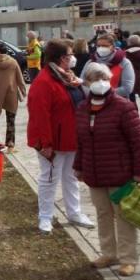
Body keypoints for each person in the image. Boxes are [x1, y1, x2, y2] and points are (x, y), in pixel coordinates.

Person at [74, 62, 140, 277]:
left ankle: (127, 259)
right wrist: (79, 167)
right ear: (87, 82)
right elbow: (81, 142)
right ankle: (109, 253)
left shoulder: (124, 107)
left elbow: (139, 143)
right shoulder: (83, 108)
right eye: (95, 79)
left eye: (104, 78)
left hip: (121, 173)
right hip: (95, 172)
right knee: (103, 214)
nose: (100, 83)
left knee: (123, 216)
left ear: (110, 81)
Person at [26, 38, 95, 234]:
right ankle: (45, 217)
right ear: (61, 58)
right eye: (70, 55)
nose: (73, 58)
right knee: (49, 179)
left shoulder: (68, 77)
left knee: (71, 177)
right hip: (52, 142)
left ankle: (74, 213)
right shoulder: (44, 81)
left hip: (71, 138)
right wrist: (45, 144)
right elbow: (40, 115)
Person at [0, 42, 26, 148]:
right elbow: (20, 78)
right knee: (11, 119)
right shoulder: (13, 62)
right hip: (11, 93)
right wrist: (23, 91)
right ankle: (10, 142)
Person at [79, 33, 135, 99]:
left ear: (113, 47)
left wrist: (104, 94)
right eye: (98, 46)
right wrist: (93, 94)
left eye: (104, 46)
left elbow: (127, 88)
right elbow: (82, 81)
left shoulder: (124, 63)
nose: (101, 48)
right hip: (94, 101)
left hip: (117, 101)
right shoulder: (91, 62)